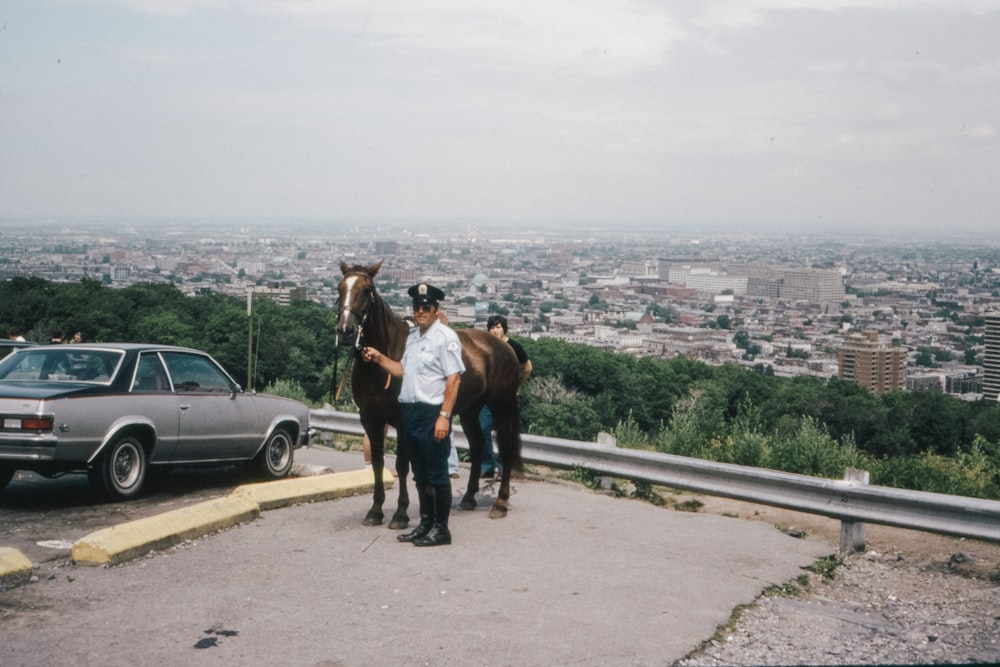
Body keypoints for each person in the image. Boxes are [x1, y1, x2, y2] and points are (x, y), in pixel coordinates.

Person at [362, 283, 464, 547]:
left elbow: (453, 380)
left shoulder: (445, 338)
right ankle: (425, 523)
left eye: (426, 307)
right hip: (409, 413)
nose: (420, 311)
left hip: (432, 413)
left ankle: (441, 529)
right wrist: (379, 358)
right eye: (417, 307)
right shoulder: (414, 337)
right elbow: (401, 370)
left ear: (436, 309)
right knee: (419, 473)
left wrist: (444, 415)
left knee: (437, 473)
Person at [479, 314, 532, 478]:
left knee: (505, 432)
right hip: (487, 395)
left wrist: (518, 386)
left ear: (504, 328)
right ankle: (487, 466)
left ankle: (504, 469)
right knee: (482, 429)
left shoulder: (514, 346)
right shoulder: (485, 346)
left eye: (498, 327)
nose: (495, 331)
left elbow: (528, 366)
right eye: (492, 328)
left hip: (506, 395)